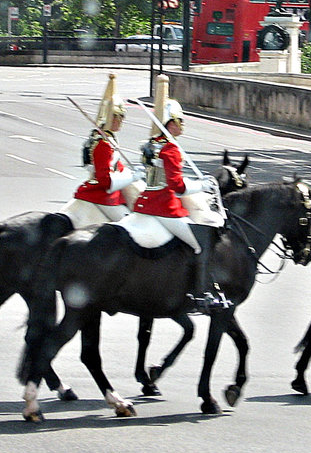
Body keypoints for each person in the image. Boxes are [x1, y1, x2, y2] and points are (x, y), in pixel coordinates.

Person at [133, 75, 226, 313]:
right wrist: (202, 185)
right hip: (164, 207)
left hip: (146, 202)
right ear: (170, 123)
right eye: (179, 121)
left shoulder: (153, 143)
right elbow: (178, 187)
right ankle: (201, 294)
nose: (182, 126)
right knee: (200, 244)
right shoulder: (170, 148)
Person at [72, 73, 137, 222]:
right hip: (102, 194)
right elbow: (106, 181)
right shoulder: (103, 144)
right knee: (129, 225)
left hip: (103, 189)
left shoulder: (106, 138)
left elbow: (115, 165)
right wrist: (131, 177)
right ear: (111, 118)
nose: (121, 121)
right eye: (118, 117)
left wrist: (128, 172)